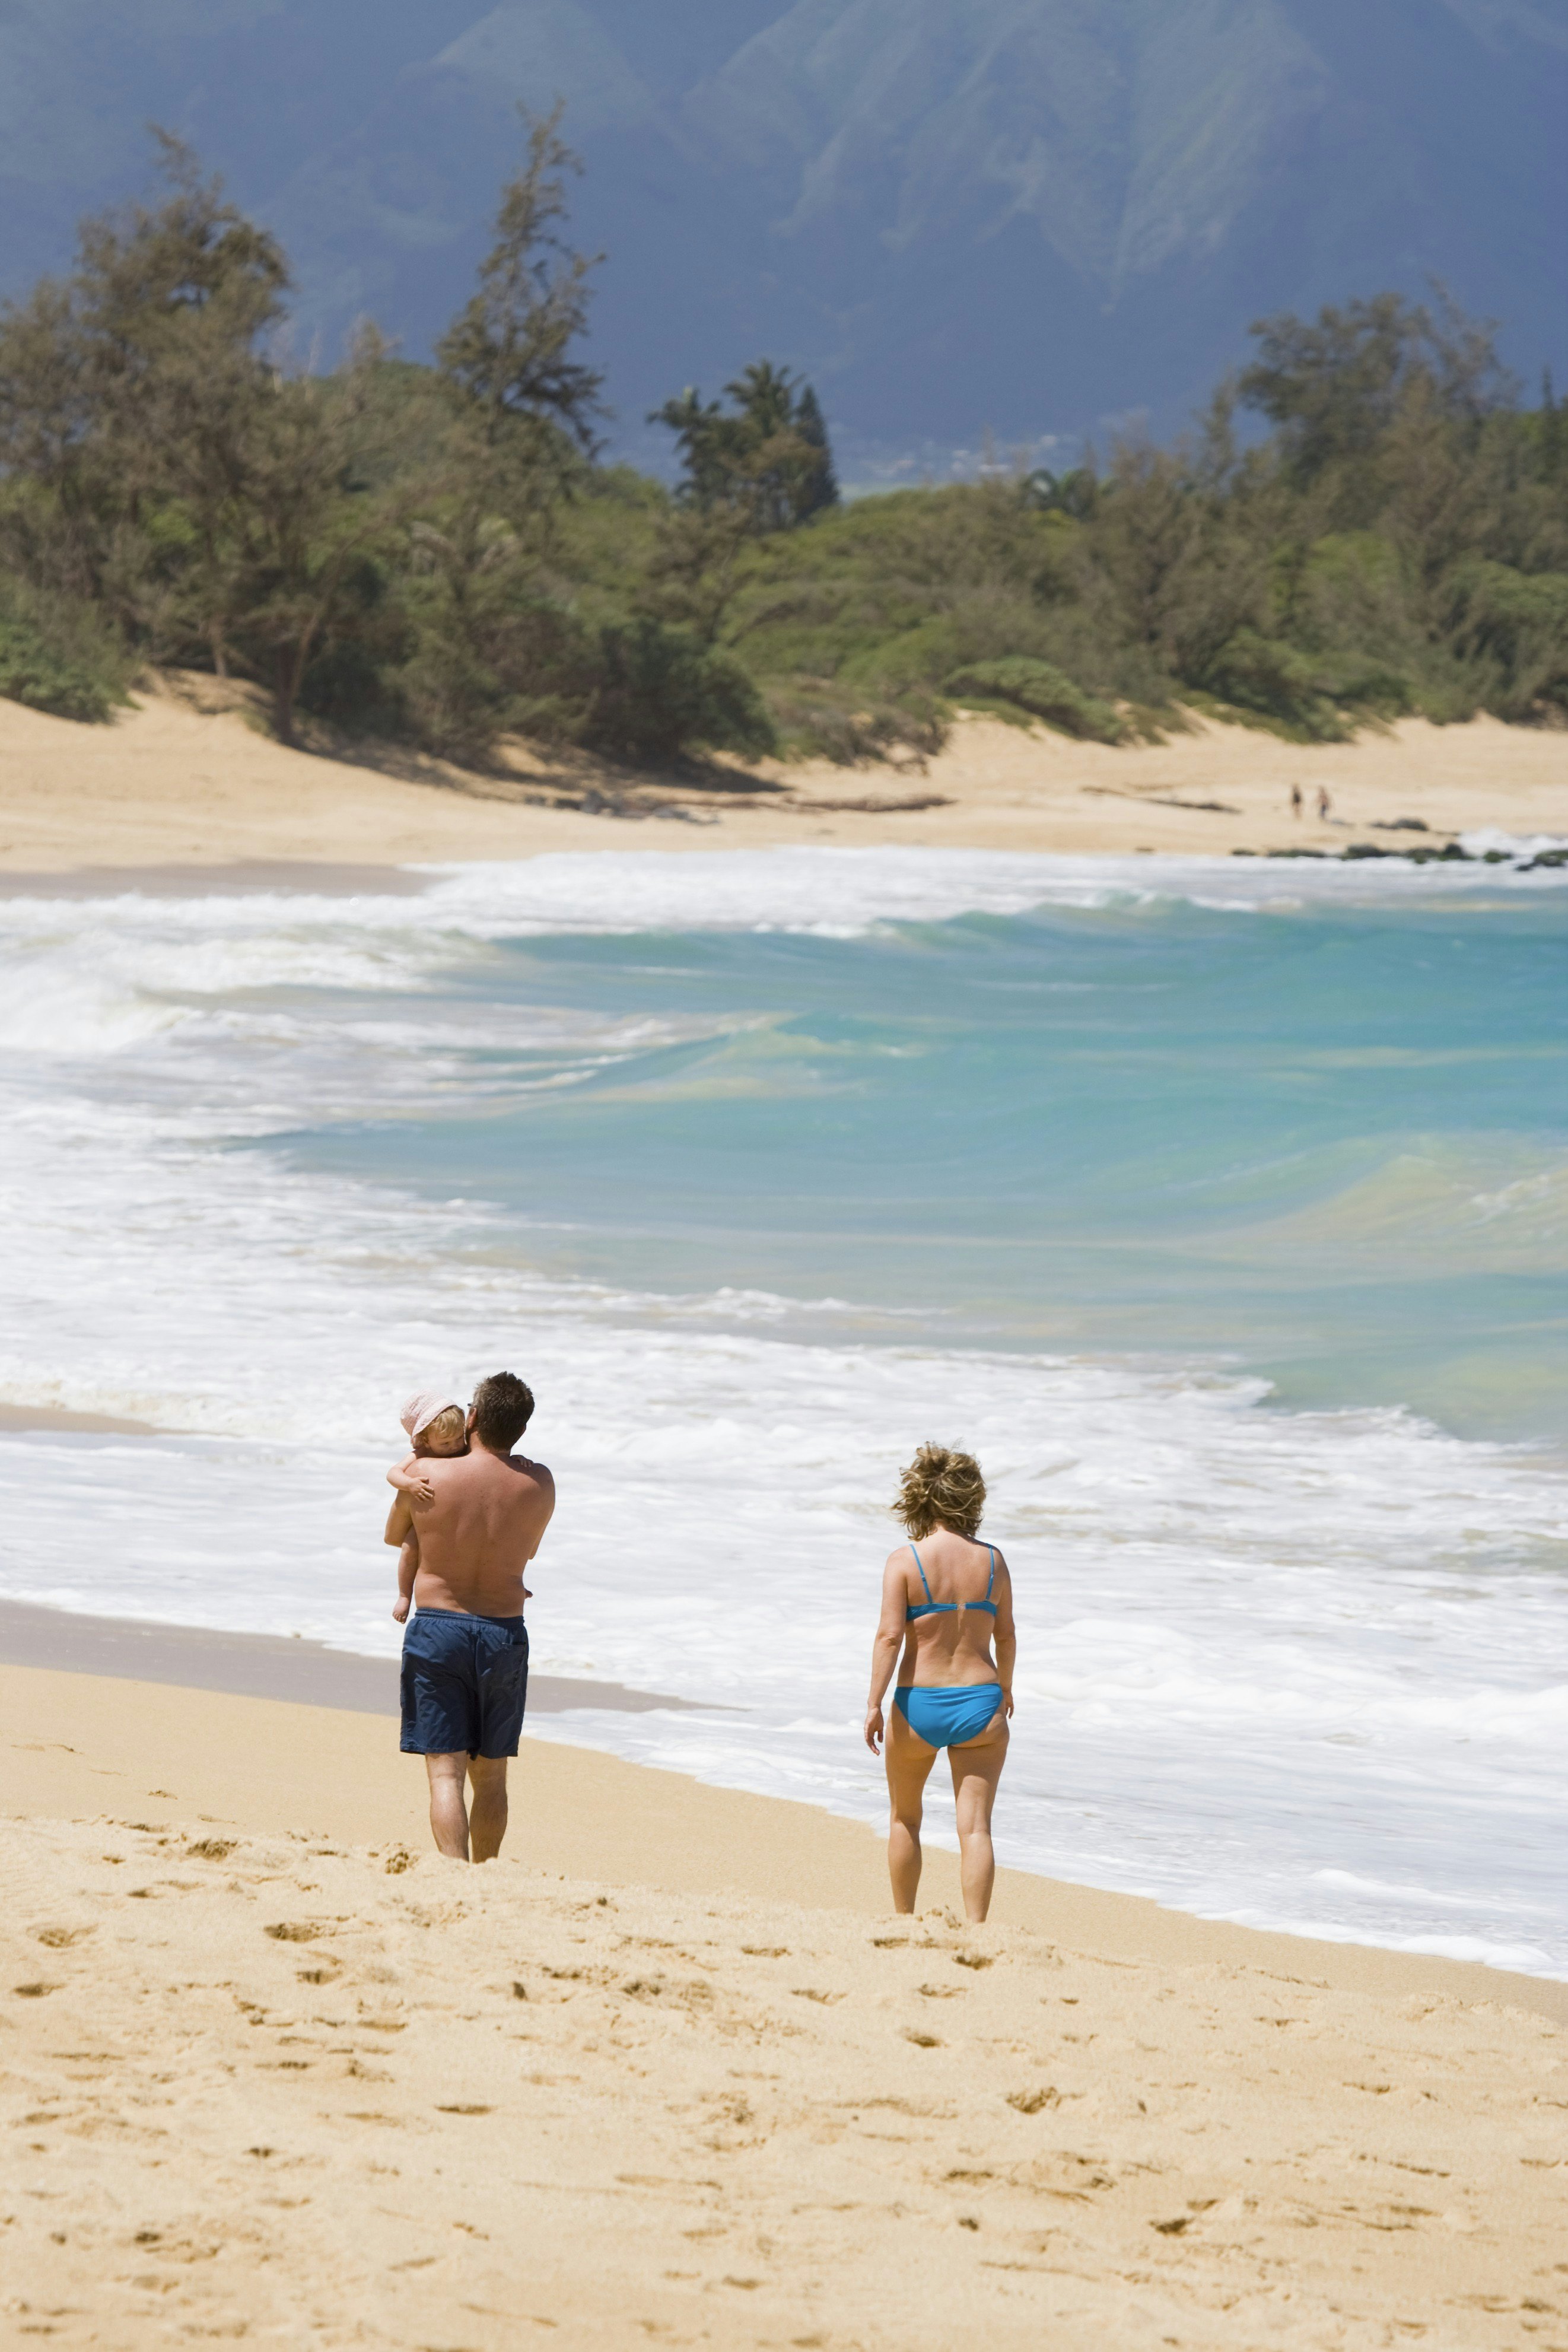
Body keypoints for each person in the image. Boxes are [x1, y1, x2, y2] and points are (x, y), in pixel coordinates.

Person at [385, 1371, 555, 1864]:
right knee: (493, 1776)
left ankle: (452, 1876)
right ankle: (488, 1874)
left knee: (445, 1775)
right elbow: (531, 1549)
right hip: (503, 1633)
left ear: (473, 1417)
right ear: (520, 1429)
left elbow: (396, 1534)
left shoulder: (427, 1475)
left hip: (439, 1628)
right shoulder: (539, 1482)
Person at [864, 1444, 1014, 1922]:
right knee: (975, 1830)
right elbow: (1007, 1635)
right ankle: (977, 1930)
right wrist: (1006, 1688)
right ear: (972, 1499)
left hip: (918, 1703)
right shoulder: (992, 1562)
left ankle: (905, 1920)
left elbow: (890, 1637)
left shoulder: (904, 1562)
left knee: (905, 1818)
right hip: (980, 1702)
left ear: (920, 1498)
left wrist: (872, 1704)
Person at [387, 1394, 470, 1628]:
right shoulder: (421, 1454)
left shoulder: (463, 1449)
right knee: (410, 1545)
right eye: (445, 1443)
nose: (454, 1446)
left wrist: (520, 1459)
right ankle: (404, 1595)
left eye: (458, 1439)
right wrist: (409, 1484)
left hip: (455, 1515)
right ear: (425, 1439)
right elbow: (393, 1473)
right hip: (423, 1518)